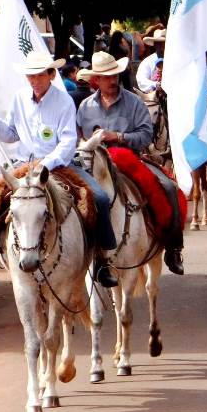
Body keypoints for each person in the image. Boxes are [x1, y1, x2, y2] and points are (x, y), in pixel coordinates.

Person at [0, 51, 118, 288]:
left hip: (58, 165)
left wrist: (45, 164)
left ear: (51, 75)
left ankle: (103, 260)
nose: (33, 80)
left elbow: (66, 143)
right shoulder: (20, 98)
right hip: (24, 165)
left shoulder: (63, 101)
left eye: (38, 75)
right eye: (30, 76)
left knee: (100, 199)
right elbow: (11, 134)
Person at [77, 51, 185, 275]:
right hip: (92, 164)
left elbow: (145, 135)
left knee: (167, 187)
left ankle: (174, 247)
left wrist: (117, 136)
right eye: (107, 76)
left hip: (128, 159)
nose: (113, 80)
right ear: (95, 79)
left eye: (115, 75)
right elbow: (78, 138)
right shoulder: (85, 107)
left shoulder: (134, 102)